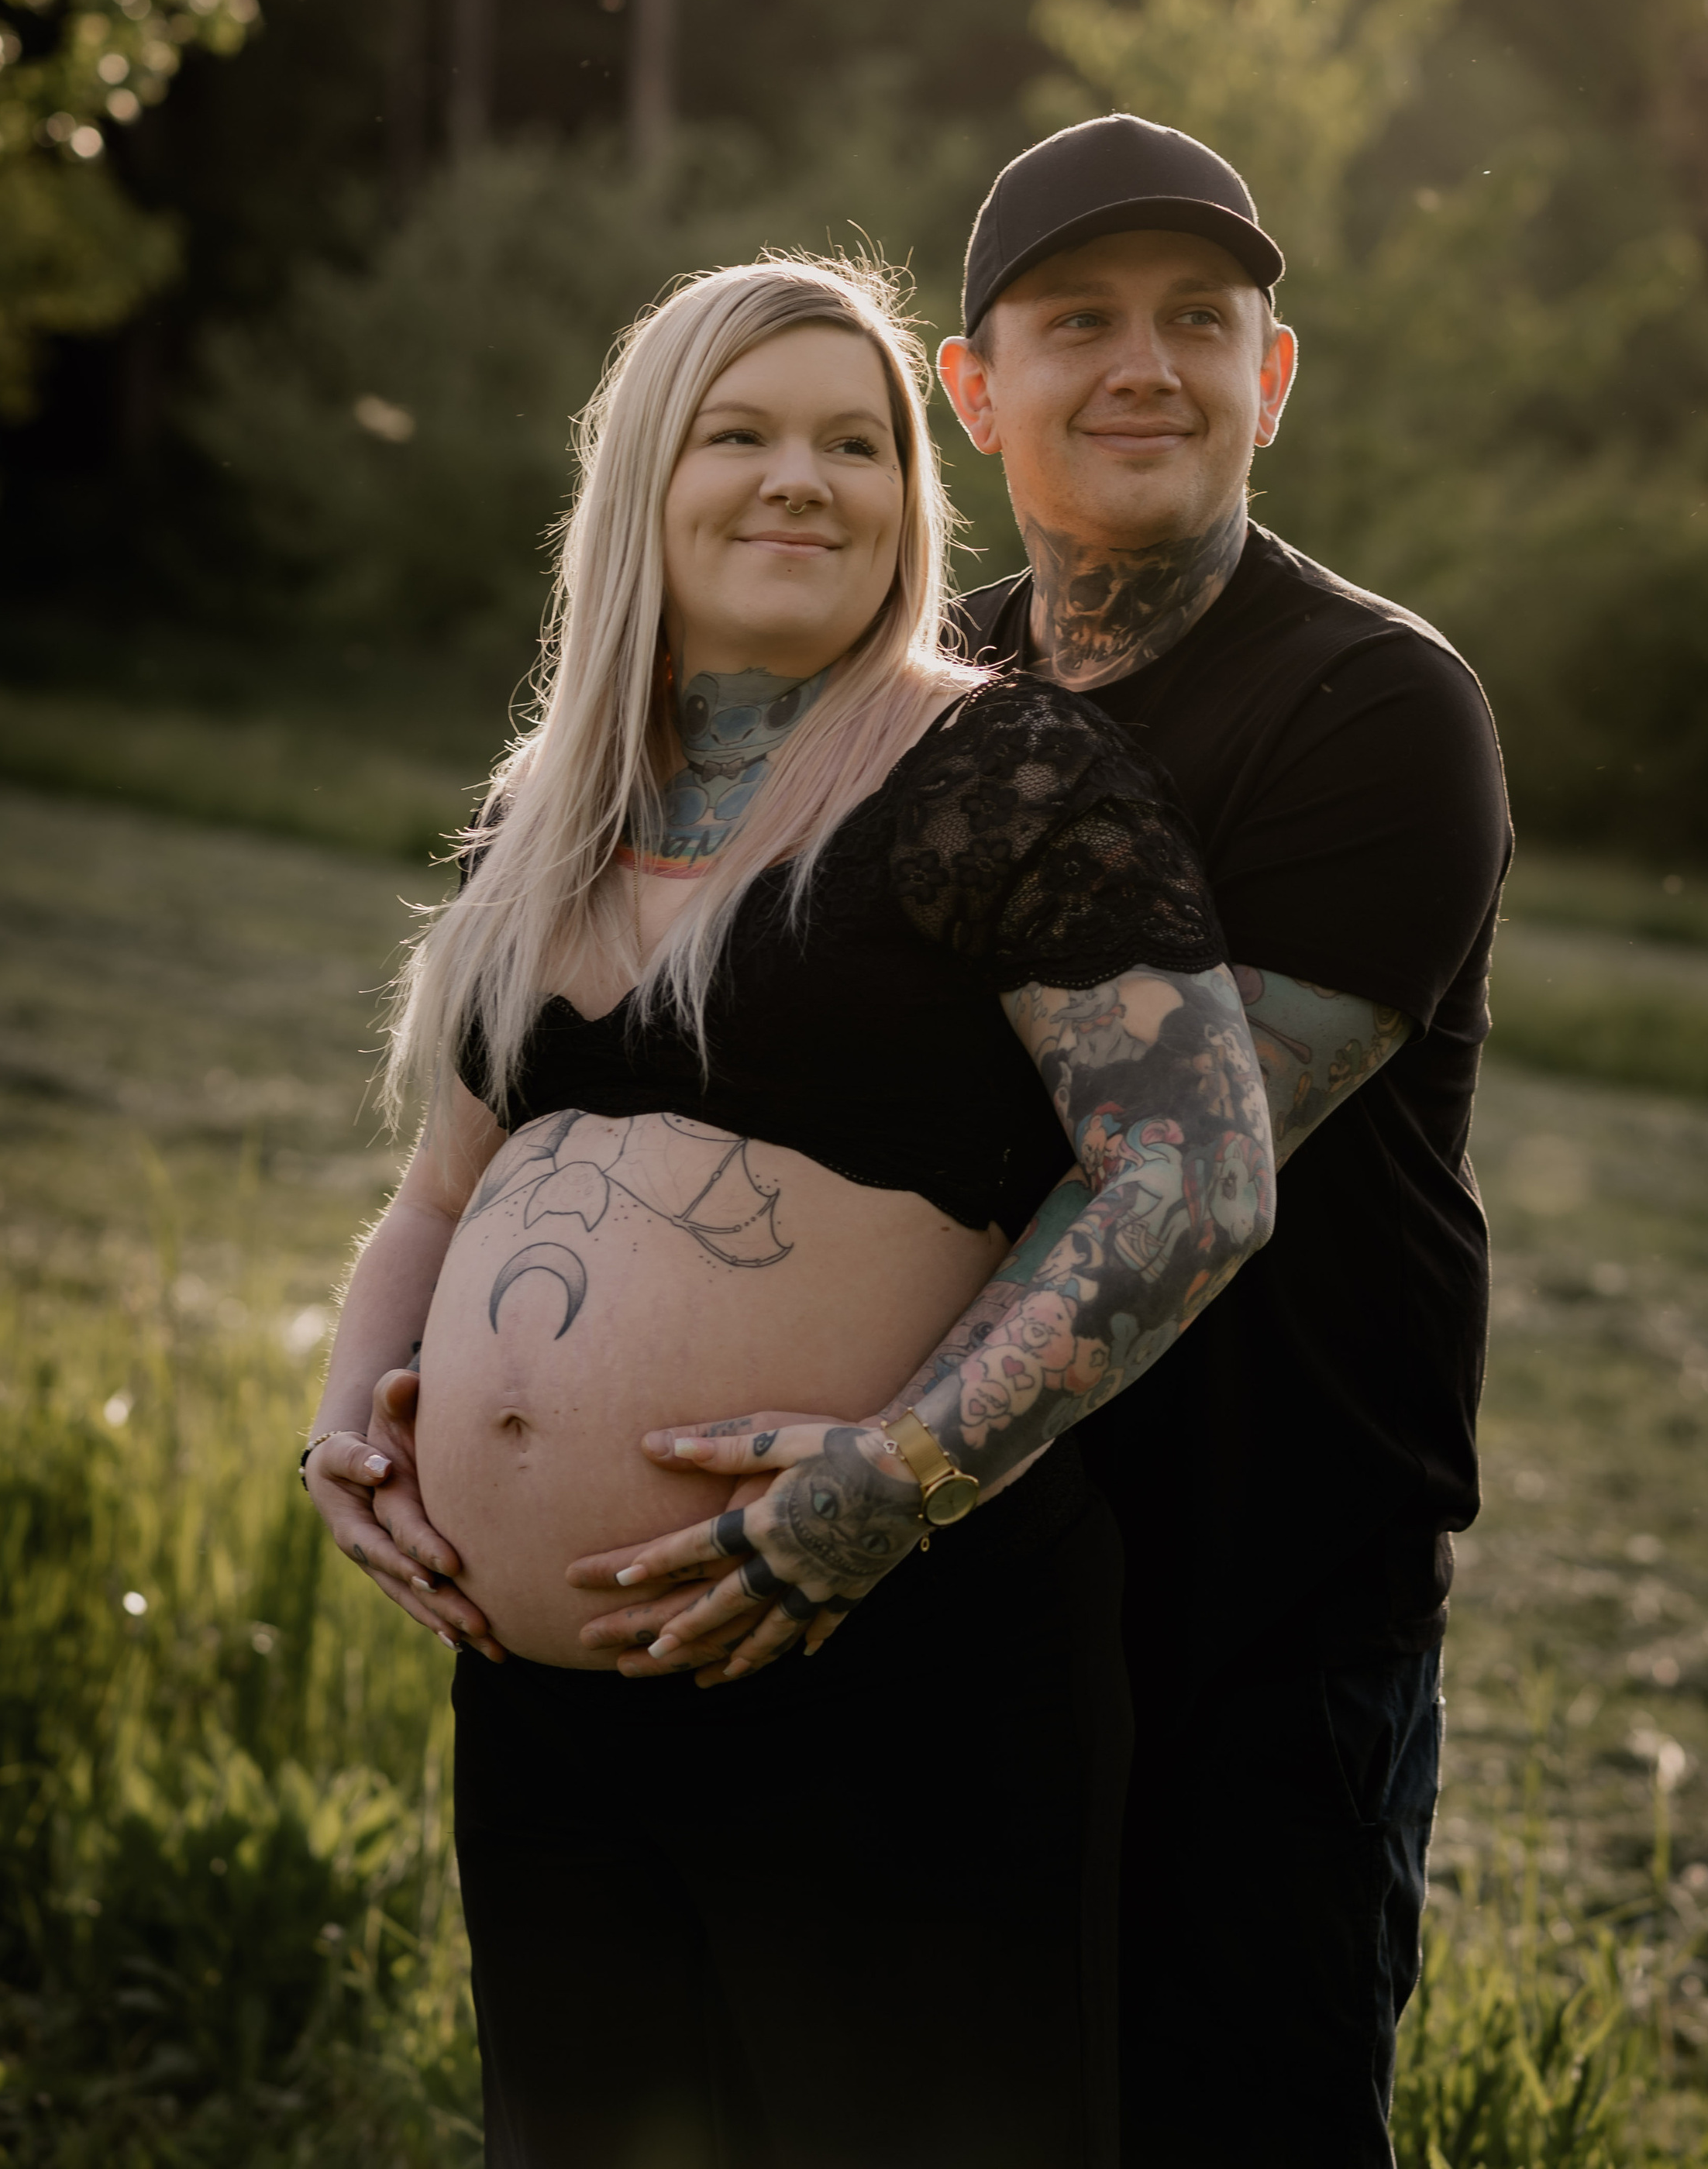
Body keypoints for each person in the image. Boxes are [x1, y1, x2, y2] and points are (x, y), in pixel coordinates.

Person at [298, 253, 1279, 2169]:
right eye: (738, 433)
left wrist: (884, 1489)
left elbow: (1195, 1175)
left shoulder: (996, 771)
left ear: (913, 502)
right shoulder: (555, 807)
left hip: (881, 1668)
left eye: (856, 443)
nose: (800, 481)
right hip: (547, 1707)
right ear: (642, 481)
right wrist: (354, 1406)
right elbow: (442, 1192)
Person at [621, 122, 1510, 2169]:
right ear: (974, 390)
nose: (1146, 368)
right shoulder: (910, 697)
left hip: (1254, 1608)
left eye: (1202, 322)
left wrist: (885, 1469)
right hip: (960, 1604)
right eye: (1080, 321)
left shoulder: (1376, 712)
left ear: (1272, 378)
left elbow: (1159, 1177)